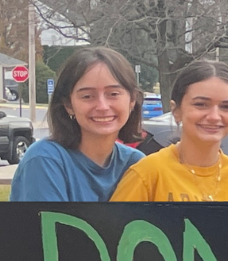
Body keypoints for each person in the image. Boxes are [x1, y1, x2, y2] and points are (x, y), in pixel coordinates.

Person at [110, 61, 228, 202]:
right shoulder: (147, 175)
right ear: (176, 110)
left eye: (226, 107)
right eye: (201, 104)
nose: (214, 116)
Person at [9, 47, 146, 201]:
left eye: (113, 94)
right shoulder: (44, 160)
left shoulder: (136, 164)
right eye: (87, 96)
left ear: (132, 100)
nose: (102, 106)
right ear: (68, 104)